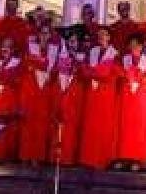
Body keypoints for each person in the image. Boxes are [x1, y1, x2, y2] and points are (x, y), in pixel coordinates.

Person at [77, 26, 119, 169]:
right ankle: (88, 159)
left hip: (106, 94)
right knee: (91, 125)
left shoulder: (114, 54)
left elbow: (106, 73)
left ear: (109, 37)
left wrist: (91, 71)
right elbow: (84, 70)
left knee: (103, 126)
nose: (101, 37)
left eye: (104, 34)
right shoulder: (92, 52)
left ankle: (102, 160)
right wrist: (91, 71)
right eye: (99, 35)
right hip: (93, 93)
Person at [18, 29, 58, 163]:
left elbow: (52, 69)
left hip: (45, 90)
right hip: (31, 88)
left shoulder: (54, 50)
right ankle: (25, 156)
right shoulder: (31, 47)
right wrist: (39, 63)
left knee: (42, 124)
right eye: (42, 33)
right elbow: (26, 64)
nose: (44, 36)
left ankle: (37, 157)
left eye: (47, 33)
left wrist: (38, 64)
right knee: (28, 123)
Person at [116, 34, 146, 167]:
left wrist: (141, 79)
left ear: (141, 46)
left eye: (136, 45)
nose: (134, 47)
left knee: (139, 128)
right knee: (126, 128)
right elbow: (119, 75)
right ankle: (124, 157)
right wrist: (127, 76)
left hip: (141, 97)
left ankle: (137, 159)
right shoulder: (125, 59)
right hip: (128, 97)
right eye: (131, 45)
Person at [53, 32, 86, 165]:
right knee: (60, 126)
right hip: (63, 94)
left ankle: (71, 157)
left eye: (74, 41)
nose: (72, 44)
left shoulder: (83, 57)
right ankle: (58, 157)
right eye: (70, 41)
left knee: (73, 129)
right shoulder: (61, 57)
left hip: (76, 97)